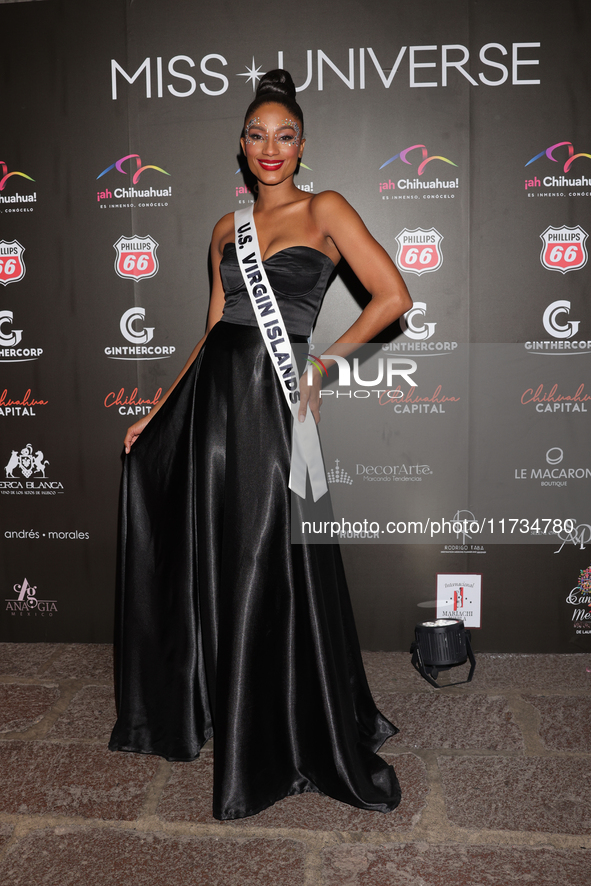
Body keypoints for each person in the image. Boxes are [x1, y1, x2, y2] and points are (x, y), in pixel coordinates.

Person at [109, 70, 412, 821]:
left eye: (284, 136)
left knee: (268, 555)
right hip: (212, 405)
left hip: (276, 405)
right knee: (219, 550)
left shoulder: (325, 208)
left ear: (301, 145)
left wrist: (321, 362)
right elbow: (213, 329)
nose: (269, 148)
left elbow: (393, 296)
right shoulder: (224, 229)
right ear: (241, 148)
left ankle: (281, 720)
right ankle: (213, 702)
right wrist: (158, 410)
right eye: (256, 136)